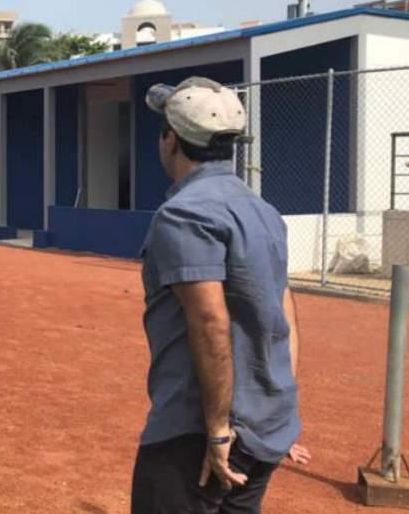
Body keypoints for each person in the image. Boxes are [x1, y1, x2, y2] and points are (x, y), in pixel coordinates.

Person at [131, 77, 307, 514]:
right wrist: (275, 407)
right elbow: (282, 310)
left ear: (170, 139)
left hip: (198, 434)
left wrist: (217, 432)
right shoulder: (262, 212)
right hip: (263, 430)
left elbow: (210, 321)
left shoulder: (184, 215)